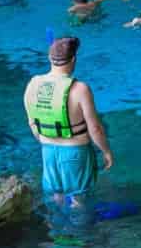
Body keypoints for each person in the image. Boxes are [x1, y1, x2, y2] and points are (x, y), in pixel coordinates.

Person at [23, 36, 114, 218]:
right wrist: (106, 151)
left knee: (57, 195)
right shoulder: (80, 89)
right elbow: (95, 128)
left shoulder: (33, 84)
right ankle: (79, 238)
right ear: (73, 59)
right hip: (75, 151)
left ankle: (58, 233)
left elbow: (32, 122)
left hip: (47, 150)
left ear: (50, 59)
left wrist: (45, 141)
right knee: (78, 198)